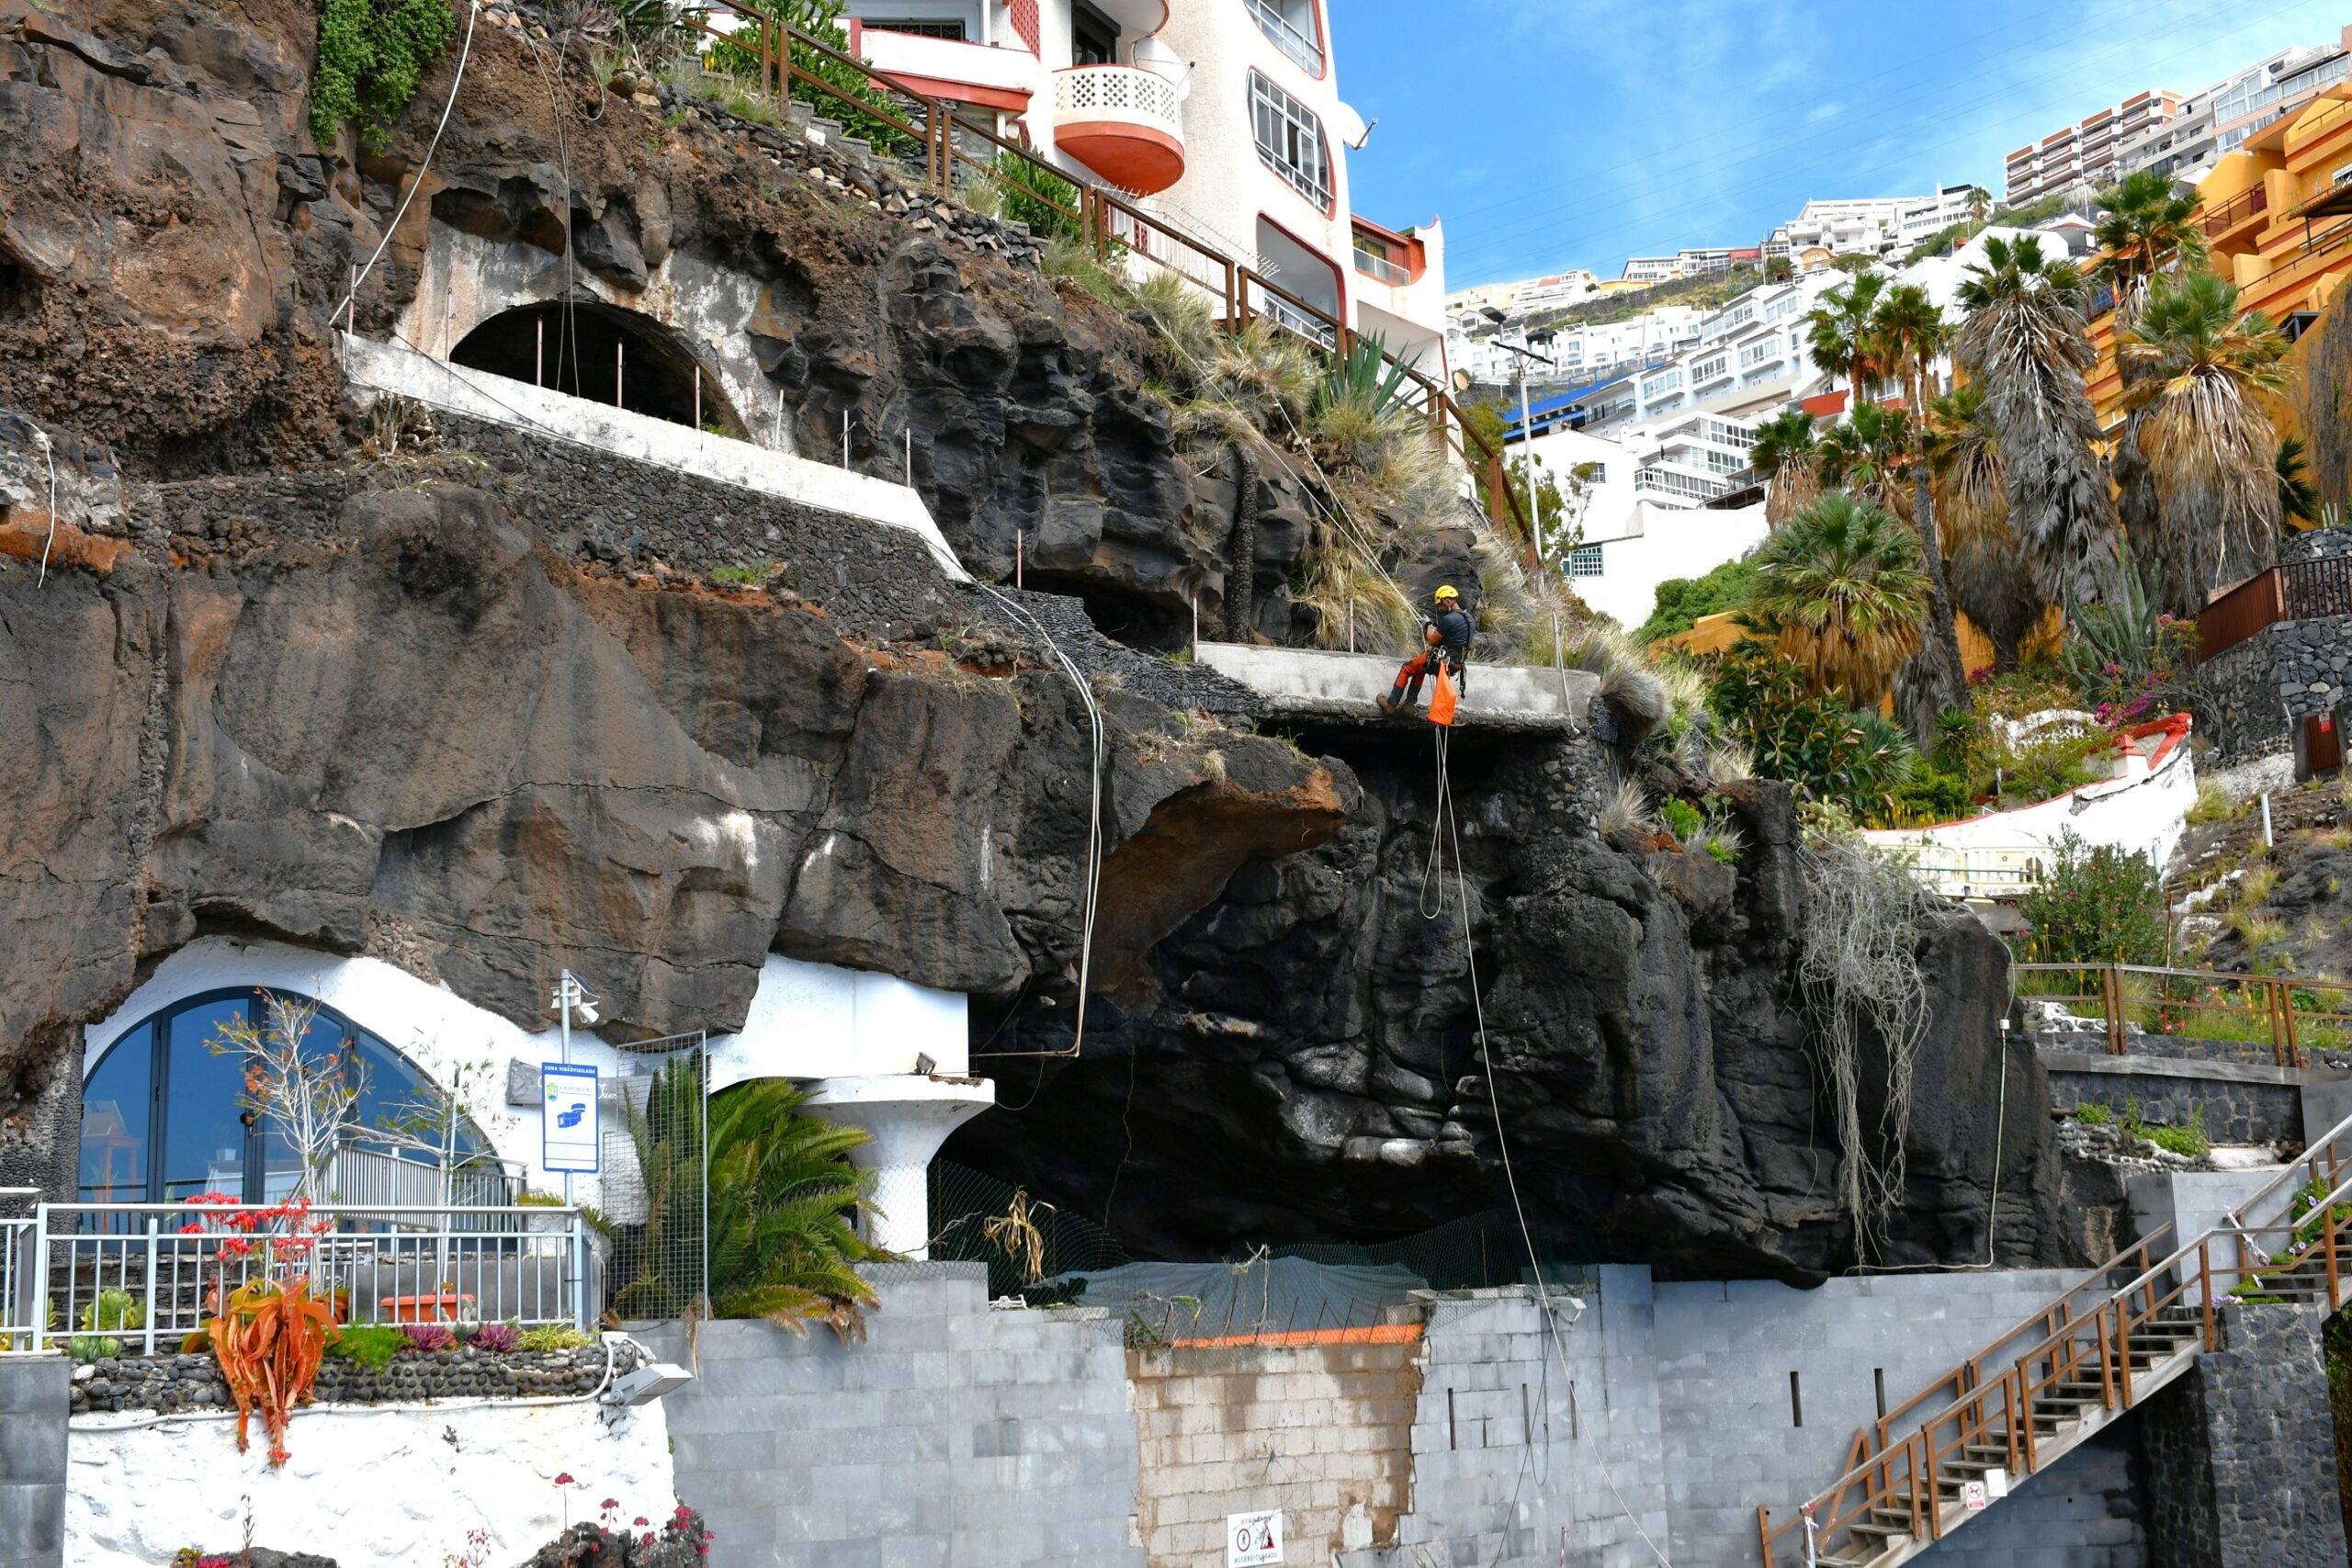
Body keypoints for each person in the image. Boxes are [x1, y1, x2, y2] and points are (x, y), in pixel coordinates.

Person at [1379, 584, 1471, 716]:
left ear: (1448, 601)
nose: (1439, 608)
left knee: (1407, 668)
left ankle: (1391, 705)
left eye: (1441, 605)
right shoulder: (1469, 620)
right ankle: (1408, 706)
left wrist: (1427, 626)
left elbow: (1432, 641)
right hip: (1456, 665)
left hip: (1440, 663)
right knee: (1420, 668)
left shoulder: (1449, 619)